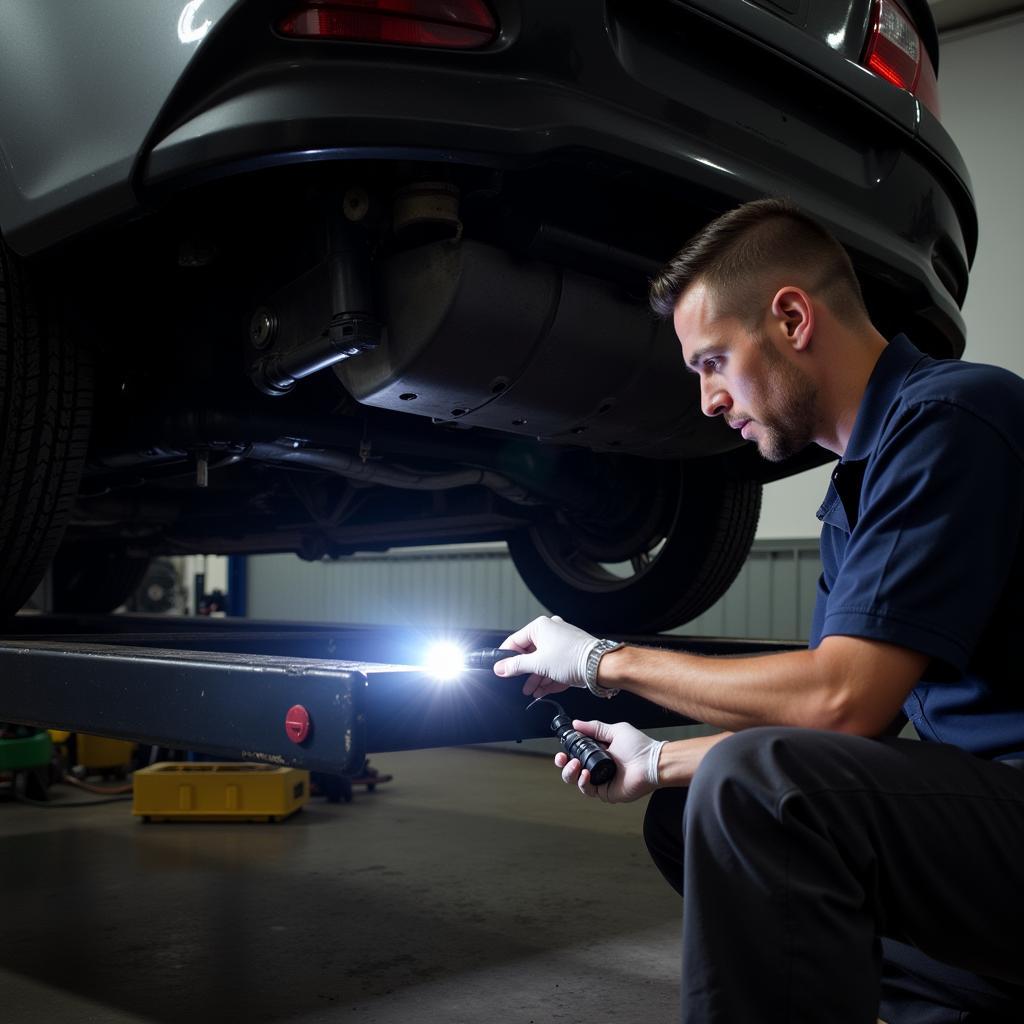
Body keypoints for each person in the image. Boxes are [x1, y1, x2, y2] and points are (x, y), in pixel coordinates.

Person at [491, 198, 1024, 1023]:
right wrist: (651, 760)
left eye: (712, 362)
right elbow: (837, 732)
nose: (706, 400)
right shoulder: (860, 488)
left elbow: (839, 699)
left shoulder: (953, 418)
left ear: (790, 318)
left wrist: (603, 660)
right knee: (686, 813)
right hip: (997, 827)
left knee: (751, 788)